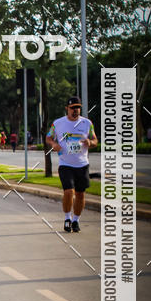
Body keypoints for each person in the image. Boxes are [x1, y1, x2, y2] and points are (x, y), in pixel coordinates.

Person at [46, 96, 98, 234]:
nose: (75, 110)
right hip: (65, 163)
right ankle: (67, 218)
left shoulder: (87, 123)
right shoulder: (57, 123)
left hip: (82, 164)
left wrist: (90, 142)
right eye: (72, 108)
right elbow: (48, 137)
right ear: (67, 109)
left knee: (80, 194)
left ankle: (76, 220)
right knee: (69, 191)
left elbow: (95, 140)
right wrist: (54, 144)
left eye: (78, 108)